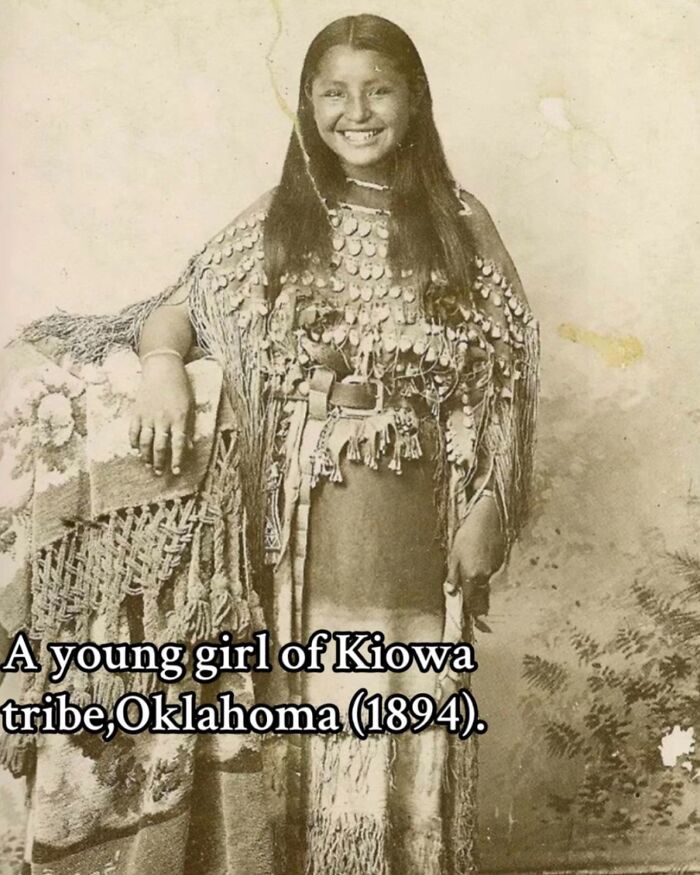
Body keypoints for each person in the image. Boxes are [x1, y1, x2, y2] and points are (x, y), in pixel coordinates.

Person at [0, 13, 537, 875]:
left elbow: (506, 385)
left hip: (415, 532)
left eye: (379, 90)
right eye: (334, 92)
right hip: (300, 541)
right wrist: (167, 364)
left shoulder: (463, 224)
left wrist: (492, 510)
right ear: (306, 105)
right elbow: (176, 306)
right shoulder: (285, 219)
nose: (356, 112)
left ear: (415, 100)